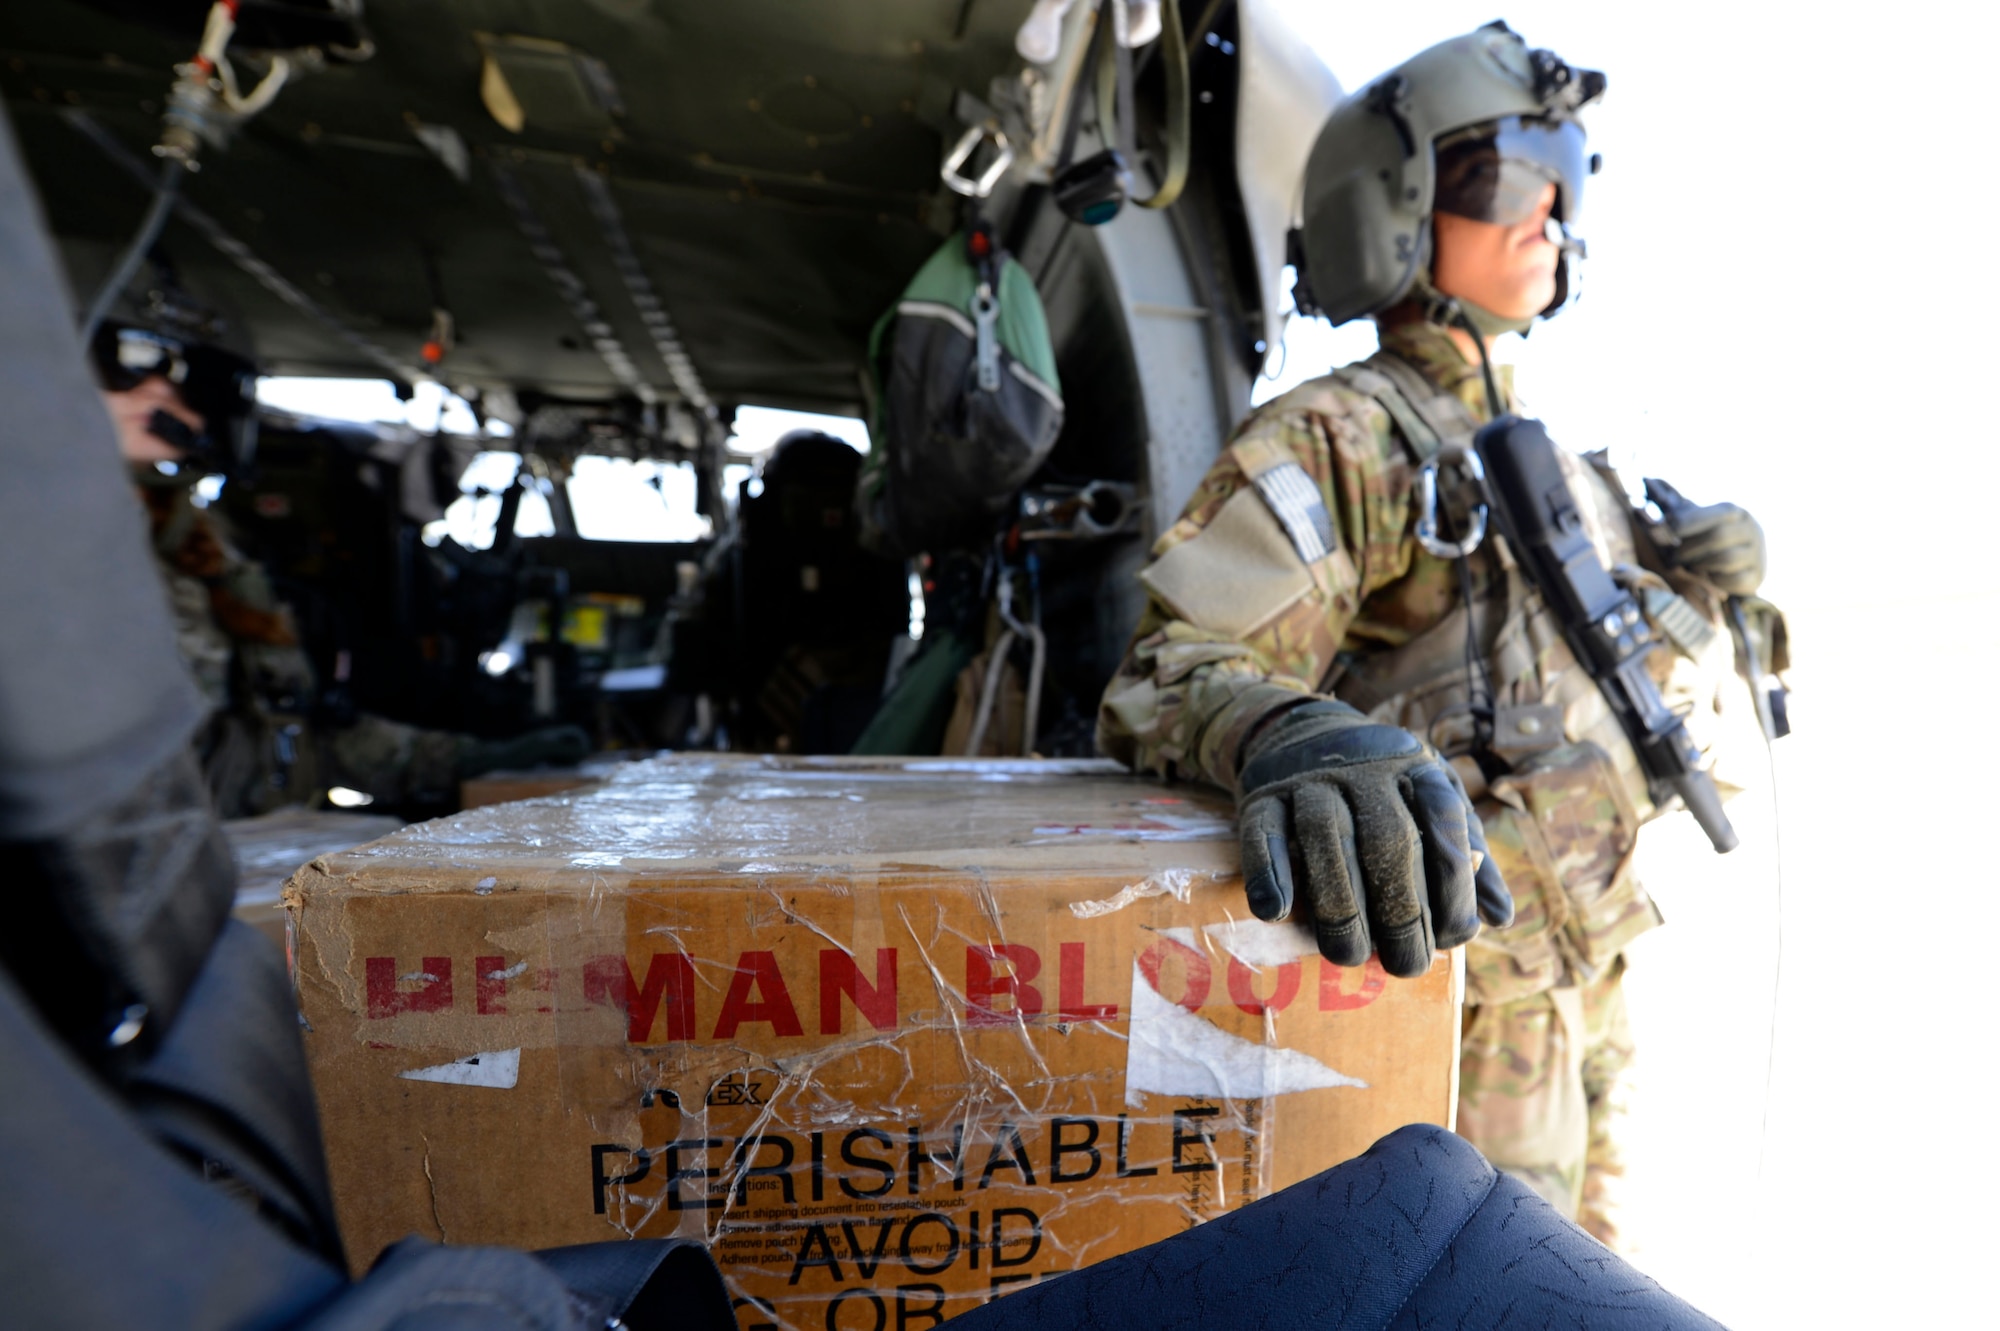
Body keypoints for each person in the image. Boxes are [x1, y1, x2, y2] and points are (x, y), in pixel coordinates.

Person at [1097, 21, 1778, 1247]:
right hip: (1442, 1001)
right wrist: (1289, 728)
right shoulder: (1343, 439)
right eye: (1505, 176)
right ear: (1396, 209)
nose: (1546, 210)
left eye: (1562, 171)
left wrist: (1738, 593)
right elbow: (1164, 672)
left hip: (1584, 982)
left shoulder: (1567, 467)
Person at [92, 318, 590, 818]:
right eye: (124, 379)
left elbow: (311, 737)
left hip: (239, 856)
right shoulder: (66, 558)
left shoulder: (212, 555)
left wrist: (478, 759)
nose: (158, 393)